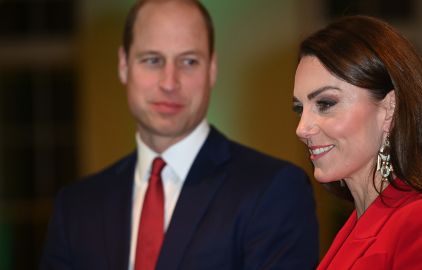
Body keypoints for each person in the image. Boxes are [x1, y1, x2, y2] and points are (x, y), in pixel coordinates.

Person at [40, 0, 319, 269]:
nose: (169, 82)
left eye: (188, 61)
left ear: (212, 69)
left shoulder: (273, 191)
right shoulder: (76, 207)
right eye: (152, 60)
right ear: (124, 66)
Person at [292, 15, 422, 269]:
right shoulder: (352, 229)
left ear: (389, 108)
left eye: (325, 104)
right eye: (299, 108)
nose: (302, 129)